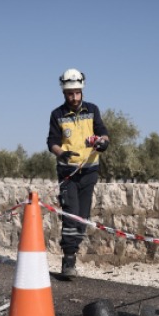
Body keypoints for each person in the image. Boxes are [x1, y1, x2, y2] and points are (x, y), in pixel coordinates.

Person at [46, 68, 110, 276]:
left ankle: (74, 252)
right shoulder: (57, 114)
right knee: (71, 215)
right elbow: (52, 142)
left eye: (77, 93)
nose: (73, 97)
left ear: (82, 91)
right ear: (64, 93)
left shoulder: (92, 110)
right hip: (68, 173)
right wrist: (60, 153)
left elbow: (103, 133)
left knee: (82, 217)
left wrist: (102, 143)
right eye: (69, 93)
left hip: (89, 172)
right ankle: (69, 260)